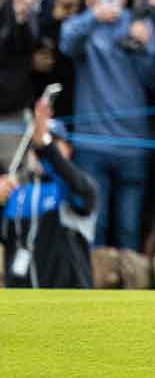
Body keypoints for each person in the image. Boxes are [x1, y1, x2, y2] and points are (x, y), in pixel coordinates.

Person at [59, 0, 155, 252]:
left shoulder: (139, 26)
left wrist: (144, 46)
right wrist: (94, 16)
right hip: (92, 144)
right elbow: (66, 43)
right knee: (96, 225)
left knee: (128, 228)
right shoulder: (83, 26)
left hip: (133, 145)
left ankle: (129, 292)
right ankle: (92, 290)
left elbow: (154, 79)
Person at [0, 91, 98, 288]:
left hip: (67, 304)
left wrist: (45, 145)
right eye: (32, 145)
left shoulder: (71, 186)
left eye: (54, 141)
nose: (37, 150)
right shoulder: (15, 191)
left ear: (68, 150)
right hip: (20, 305)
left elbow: (83, 193)